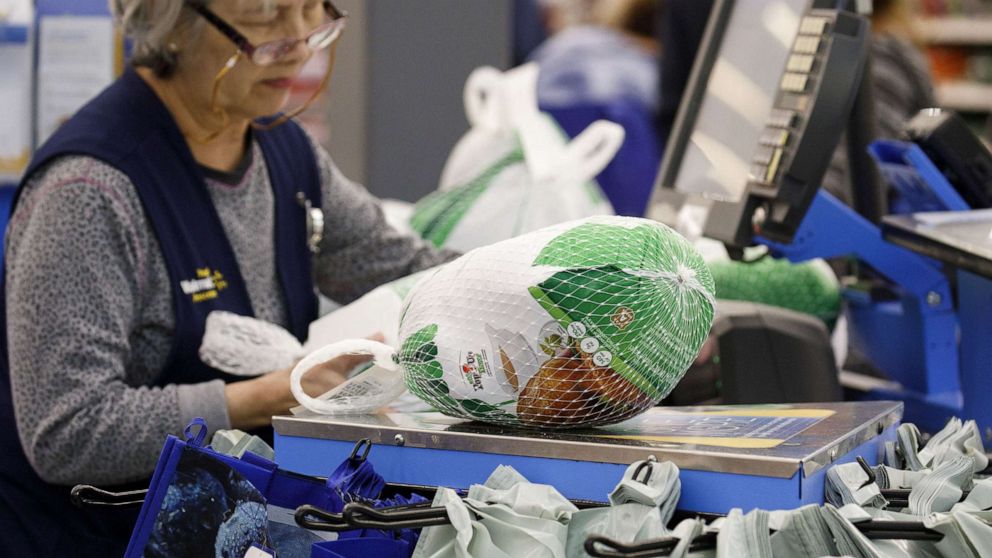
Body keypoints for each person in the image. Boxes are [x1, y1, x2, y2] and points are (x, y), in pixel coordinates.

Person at [0, 0, 455, 555]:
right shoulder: (88, 193)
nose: (298, 39)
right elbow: (68, 433)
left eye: (312, 9)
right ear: (170, 23)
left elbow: (401, 266)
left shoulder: (282, 149)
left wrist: (537, 275)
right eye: (264, 14)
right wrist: (271, 394)